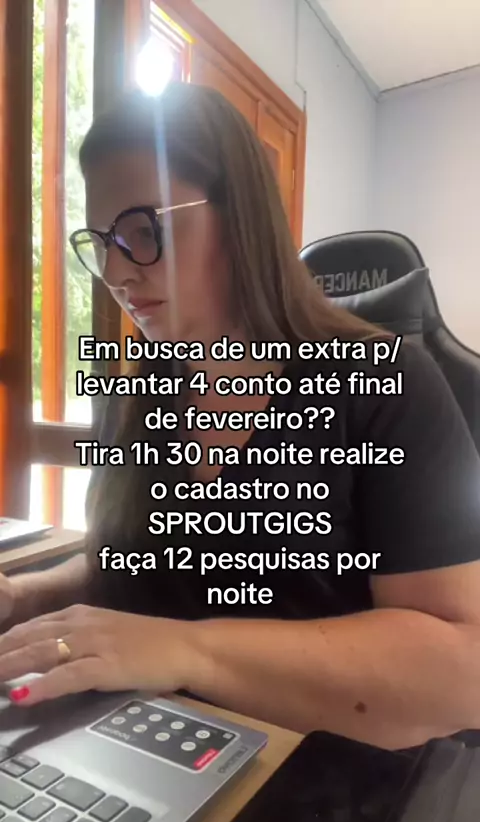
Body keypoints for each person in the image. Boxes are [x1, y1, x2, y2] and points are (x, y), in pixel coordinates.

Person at [1, 83, 480, 750]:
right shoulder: (134, 395)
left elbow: (462, 672)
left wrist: (188, 649)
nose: (115, 272)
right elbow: (135, 566)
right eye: (102, 241)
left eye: (145, 232)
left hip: (324, 774)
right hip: (143, 746)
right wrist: (23, 597)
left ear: (241, 217)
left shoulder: (387, 385)